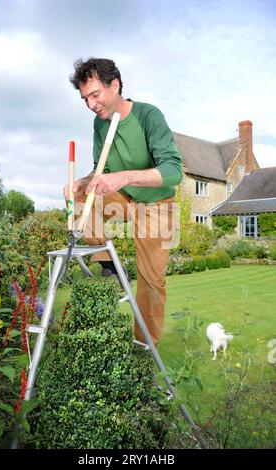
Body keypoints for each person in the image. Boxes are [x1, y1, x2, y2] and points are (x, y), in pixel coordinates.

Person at [65, 57, 183, 346]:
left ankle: (145, 351)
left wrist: (124, 177)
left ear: (114, 85)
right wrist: (81, 183)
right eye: (85, 99)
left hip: (158, 204)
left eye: (95, 95)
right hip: (123, 197)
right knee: (82, 198)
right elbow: (100, 171)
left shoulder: (148, 116)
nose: (91, 104)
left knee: (152, 284)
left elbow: (173, 171)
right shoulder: (100, 124)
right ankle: (110, 268)